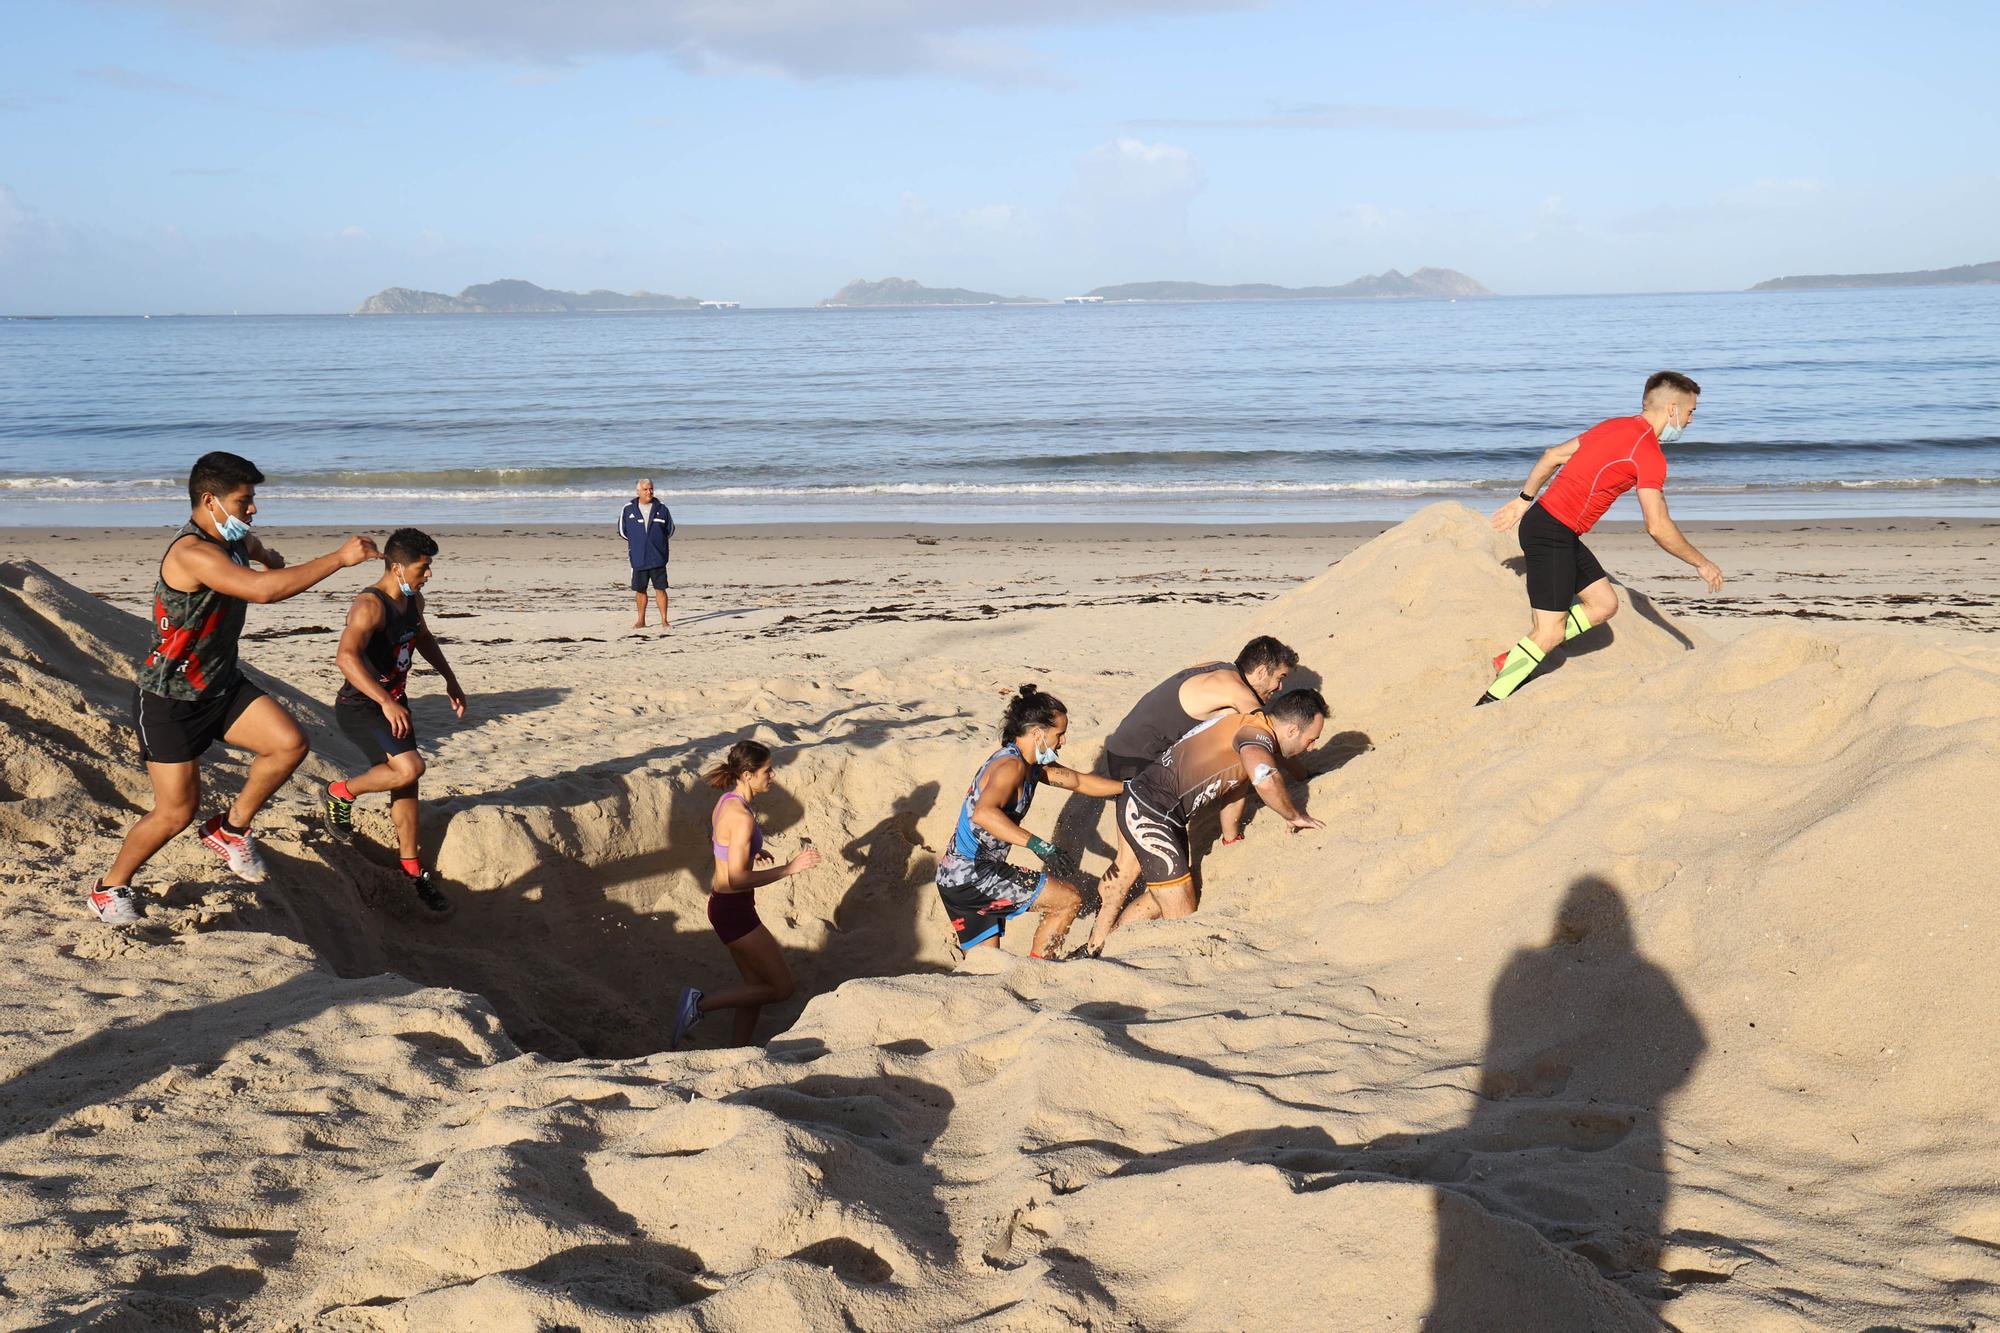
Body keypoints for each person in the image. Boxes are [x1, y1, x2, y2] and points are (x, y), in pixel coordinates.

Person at [87, 452, 380, 925]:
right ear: (210, 500)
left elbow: (255, 548)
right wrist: (340, 559)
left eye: (253, 500)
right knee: (175, 813)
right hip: (170, 699)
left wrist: (265, 555)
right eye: (245, 501)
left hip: (221, 685)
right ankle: (109, 887)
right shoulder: (193, 553)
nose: (253, 510)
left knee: (289, 744)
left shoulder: (231, 536)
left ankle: (229, 829)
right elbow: (265, 593)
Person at [1480, 371, 1725, 705]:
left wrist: (1524, 500)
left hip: (1555, 529)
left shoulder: (1614, 425)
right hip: (1550, 533)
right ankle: (1490, 702)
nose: (1691, 419)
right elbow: (1658, 526)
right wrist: (1702, 562)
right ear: (1672, 409)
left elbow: (1553, 454)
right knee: (1550, 631)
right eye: (1691, 411)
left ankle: (1518, 657)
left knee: (1604, 605)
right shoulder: (1649, 454)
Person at [1088, 687, 1330, 955]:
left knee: (1163, 896)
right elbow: (1264, 777)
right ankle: (1105, 955)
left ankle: (1104, 948)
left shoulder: (1248, 727)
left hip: (1161, 812)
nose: (1313, 747)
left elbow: (1235, 788)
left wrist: (1231, 837)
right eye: (1312, 739)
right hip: (1149, 810)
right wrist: (1294, 815)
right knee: (1182, 915)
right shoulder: (1255, 735)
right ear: (1293, 730)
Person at [1090, 636, 1300, 928]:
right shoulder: (1239, 693)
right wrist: (1302, 773)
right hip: (1137, 758)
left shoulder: (1217, 668)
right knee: (1129, 864)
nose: (1280, 688)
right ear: (1262, 671)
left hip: (1125, 745)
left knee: (1136, 854)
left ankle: (1106, 927)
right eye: (1280, 678)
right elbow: (1264, 740)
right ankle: (1099, 934)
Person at [322, 528, 466, 915]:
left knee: (408, 783)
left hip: (394, 705)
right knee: (409, 767)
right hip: (361, 707)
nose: (429, 574)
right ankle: (340, 792)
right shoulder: (369, 605)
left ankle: (411, 869)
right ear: (398, 567)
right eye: (424, 567)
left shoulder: (412, 599)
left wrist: (449, 678)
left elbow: (423, 638)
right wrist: (385, 701)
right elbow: (346, 659)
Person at [935, 684, 1123, 961]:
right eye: (1059, 734)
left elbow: (1080, 781)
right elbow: (984, 814)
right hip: (975, 875)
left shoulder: (1032, 767)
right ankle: (1038, 971)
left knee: (987, 967)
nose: (1063, 741)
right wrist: (1040, 847)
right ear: (1037, 733)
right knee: (1068, 900)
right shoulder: (1010, 767)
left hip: (955, 879)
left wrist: (1128, 788)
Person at [672, 740, 822, 1048]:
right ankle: (698, 1005)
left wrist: (754, 849)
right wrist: (789, 869)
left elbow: (721, 843)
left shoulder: (728, 801)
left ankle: (738, 1050)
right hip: (733, 911)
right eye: (767, 770)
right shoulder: (741, 817)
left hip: (727, 905)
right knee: (781, 989)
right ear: (747, 774)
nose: (773, 776)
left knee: (755, 986)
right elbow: (738, 878)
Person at [618, 478, 676, 629]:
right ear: (638, 492)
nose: (649, 492)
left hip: (658, 557)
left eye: (651, 489)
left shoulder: (662, 508)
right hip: (638, 557)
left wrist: (657, 543)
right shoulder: (628, 509)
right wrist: (638, 542)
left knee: (660, 589)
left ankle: (664, 620)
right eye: (645, 489)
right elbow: (623, 532)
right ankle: (641, 620)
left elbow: (670, 530)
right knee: (640, 589)